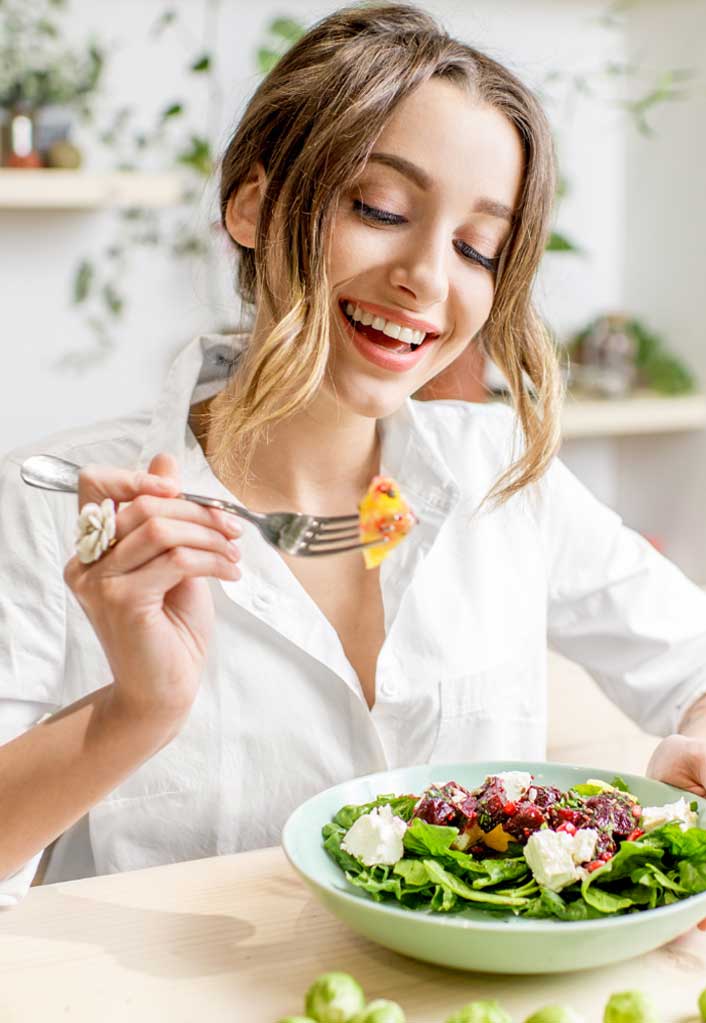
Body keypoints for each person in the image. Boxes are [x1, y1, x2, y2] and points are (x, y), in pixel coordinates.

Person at [1, 1, 706, 911]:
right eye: (379, 207)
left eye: (476, 247)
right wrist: (134, 711)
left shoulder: (505, 476)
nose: (426, 276)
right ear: (252, 203)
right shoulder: (54, 501)